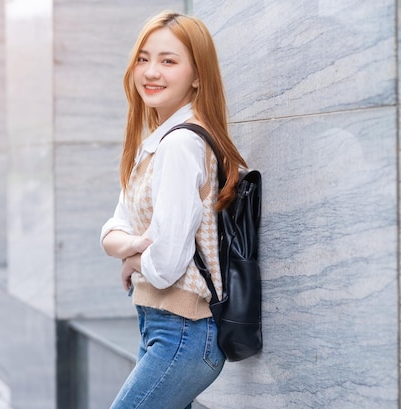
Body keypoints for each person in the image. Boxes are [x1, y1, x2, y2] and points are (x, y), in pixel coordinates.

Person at [100, 10, 248, 409]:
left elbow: (166, 266)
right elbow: (112, 228)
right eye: (144, 59)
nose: (151, 71)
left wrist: (131, 258)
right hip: (160, 328)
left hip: (185, 332)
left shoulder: (181, 145)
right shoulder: (154, 145)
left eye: (169, 61)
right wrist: (133, 248)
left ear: (197, 75)